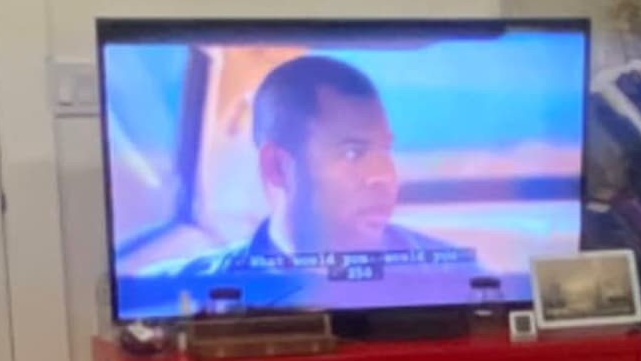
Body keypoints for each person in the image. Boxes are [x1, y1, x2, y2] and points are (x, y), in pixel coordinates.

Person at [187, 50, 479, 297]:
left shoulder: (456, 277)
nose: (385, 177)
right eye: (353, 153)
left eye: (385, 150)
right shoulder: (192, 290)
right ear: (277, 167)